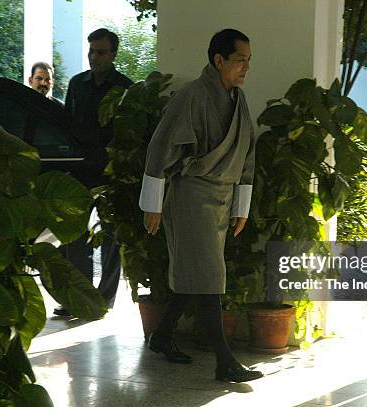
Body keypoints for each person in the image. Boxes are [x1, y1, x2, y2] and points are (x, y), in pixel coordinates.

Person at [139, 28, 263, 383]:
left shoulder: (239, 100)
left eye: (248, 61)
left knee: (195, 274)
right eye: (240, 60)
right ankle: (225, 362)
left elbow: (247, 154)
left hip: (222, 199)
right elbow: (161, 148)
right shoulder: (191, 96)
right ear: (218, 60)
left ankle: (162, 336)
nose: (245, 68)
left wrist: (241, 205)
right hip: (191, 194)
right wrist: (153, 204)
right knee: (209, 277)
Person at [54, 29, 133, 317]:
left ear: (113, 54)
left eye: (101, 52)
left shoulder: (125, 88)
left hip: (112, 173)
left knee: (111, 236)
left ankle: (104, 299)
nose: (94, 57)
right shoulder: (77, 84)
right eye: (91, 51)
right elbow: (65, 125)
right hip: (79, 170)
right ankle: (79, 297)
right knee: (74, 235)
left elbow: (132, 132)